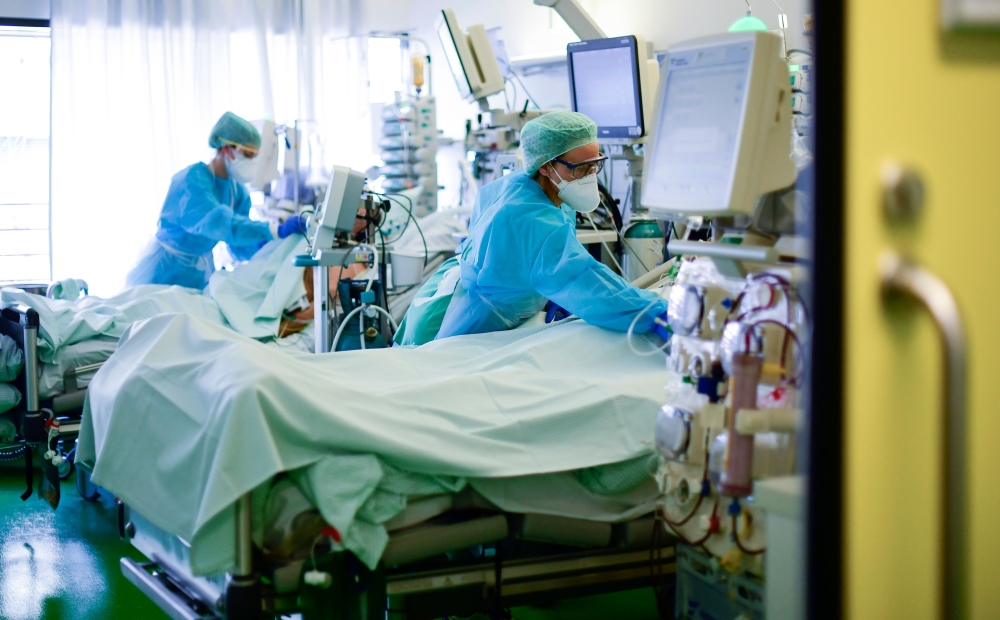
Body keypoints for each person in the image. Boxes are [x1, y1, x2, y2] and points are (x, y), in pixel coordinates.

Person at [395, 111, 669, 346]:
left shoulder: (526, 186)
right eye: (581, 168)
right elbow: (587, 283)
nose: (591, 176)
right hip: (472, 323)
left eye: (596, 164)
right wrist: (655, 314)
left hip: (458, 299)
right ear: (547, 166)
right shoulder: (532, 219)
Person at [126, 111, 308, 290]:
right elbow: (218, 222)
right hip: (164, 270)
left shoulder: (238, 193)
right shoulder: (190, 181)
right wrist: (273, 229)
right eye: (248, 154)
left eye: (255, 156)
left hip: (200, 274)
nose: (253, 161)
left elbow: (236, 245)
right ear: (227, 149)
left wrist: (270, 242)